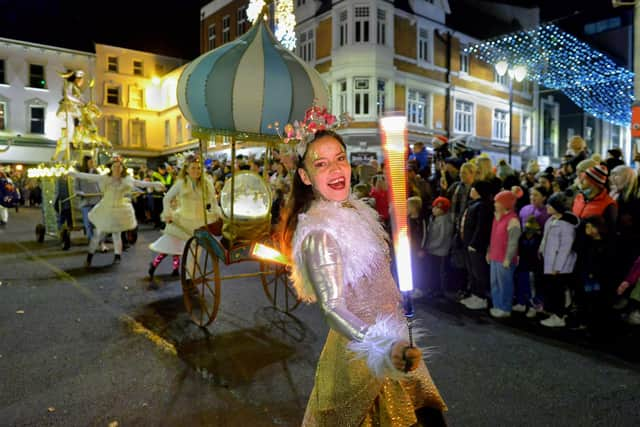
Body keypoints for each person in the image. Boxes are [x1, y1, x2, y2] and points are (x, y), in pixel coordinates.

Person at [280, 129, 447, 426]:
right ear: (305, 177)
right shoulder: (320, 234)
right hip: (365, 355)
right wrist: (384, 346)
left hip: (396, 340)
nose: (335, 169)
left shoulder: (356, 210)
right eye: (320, 164)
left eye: (340, 158)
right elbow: (332, 309)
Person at [69, 157, 164, 266]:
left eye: (119, 166)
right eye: (115, 166)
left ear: (123, 168)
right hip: (106, 207)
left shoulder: (127, 179)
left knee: (117, 233)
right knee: (98, 233)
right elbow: (91, 177)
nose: (117, 168)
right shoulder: (105, 178)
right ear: (111, 168)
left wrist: (156, 184)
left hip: (120, 208)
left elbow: (141, 184)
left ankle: (117, 255)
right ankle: (90, 255)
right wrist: (76, 174)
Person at [147, 156, 221, 288]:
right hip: (182, 221)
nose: (196, 171)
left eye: (199, 168)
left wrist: (216, 212)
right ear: (186, 169)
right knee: (168, 247)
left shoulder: (207, 183)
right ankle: (153, 265)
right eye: (193, 168)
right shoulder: (181, 183)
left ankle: (189, 278)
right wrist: (167, 213)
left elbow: (213, 201)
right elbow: (167, 199)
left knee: (196, 250)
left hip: (200, 222)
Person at [538, 193, 579, 328]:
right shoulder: (551, 220)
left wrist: (558, 267)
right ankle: (555, 312)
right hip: (549, 262)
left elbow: (565, 248)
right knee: (552, 289)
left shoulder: (566, 225)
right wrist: (541, 250)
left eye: (550, 204)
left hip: (560, 266)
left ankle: (559, 316)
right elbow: (545, 238)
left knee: (558, 291)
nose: (547, 206)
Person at [487, 189, 522, 319]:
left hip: (504, 259)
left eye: (497, 202)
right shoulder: (497, 217)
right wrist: (489, 252)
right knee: (495, 283)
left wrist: (508, 258)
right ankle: (497, 305)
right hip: (495, 257)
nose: (495, 204)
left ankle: (505, 307)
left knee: (505, 283)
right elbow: (493, 237)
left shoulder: (513, 220)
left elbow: (513, 242)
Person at [459, 180, 494, 309]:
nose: (471, 190)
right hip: (467, 243)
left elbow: (481, 227)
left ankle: (481, 297)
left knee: (478, 271)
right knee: (472, 271)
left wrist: (475, 243)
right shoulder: (473, 204)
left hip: (475, 245)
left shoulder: (483, 206)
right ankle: (474, 294)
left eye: (474, 188)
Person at [425, 196, 454, 299]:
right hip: (432, 250)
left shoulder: (445, 221)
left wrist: (429, 246)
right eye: (434, 207)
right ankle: (433, 288)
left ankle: (439, 290)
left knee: (439, 271)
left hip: (440, 251)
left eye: (438, 208)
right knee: (433, 270)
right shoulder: (434, 218)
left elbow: (442, 238)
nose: (434, 210)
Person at [514, 215, 543, 317]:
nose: (528, 230)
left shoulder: (538, 239)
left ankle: (533, 307)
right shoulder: (522, 237)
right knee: (521, 285)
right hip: (522, 266)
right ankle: (521, 303)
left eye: (531, 228)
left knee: (532, 289)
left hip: (532, 268)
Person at [73, 155, 102, 244]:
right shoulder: (79, 175)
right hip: (86, 202)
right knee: (88, 223)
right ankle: (91, 239)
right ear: (86, 163)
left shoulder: (97, 173)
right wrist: (81, 193)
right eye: (90, 162)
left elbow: (101, 186)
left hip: (97, 201)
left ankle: (99, 239)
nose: (93, 164)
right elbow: (76, 189)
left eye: (93, 162)